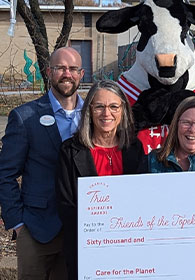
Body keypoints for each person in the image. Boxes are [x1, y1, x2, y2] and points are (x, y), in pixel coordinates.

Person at [0, 47, 84, 279]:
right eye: (60, 68)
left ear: (82, 74)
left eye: (73, 68)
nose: (67, 74)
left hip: (83, 229)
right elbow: (5, 174)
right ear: (49, 72)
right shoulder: (25, 117)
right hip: (37, 229)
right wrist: (17, 222)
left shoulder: (94, 116)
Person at [55, 80, 144, 279]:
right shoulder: (70, 151)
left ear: (123, 111)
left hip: (130, 249)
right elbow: (66, 205)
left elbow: (142, 202)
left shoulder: (135, 149)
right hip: (86, 250)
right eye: (99, 107)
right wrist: (98, 238)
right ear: (89, 111)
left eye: (114, 106)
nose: (107, 114)